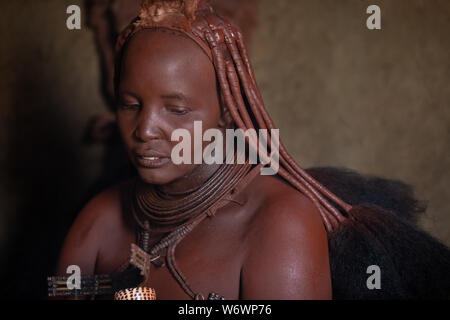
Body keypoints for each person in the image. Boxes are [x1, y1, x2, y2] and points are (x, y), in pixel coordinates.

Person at [53, 0, 450, 300]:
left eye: (176, 109)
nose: (145, 129)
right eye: (130, 104)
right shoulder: (101, 219)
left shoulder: (279, 225)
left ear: (226, 113)